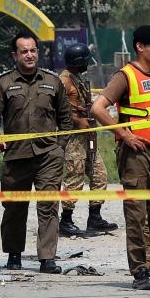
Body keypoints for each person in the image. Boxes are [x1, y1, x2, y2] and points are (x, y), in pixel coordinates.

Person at [91, 25, 150, 290]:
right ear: (139, 48)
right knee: (136, 215)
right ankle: (141, 272)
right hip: (135, 155)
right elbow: (98, 108)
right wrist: (124, 135)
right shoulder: (126, 76)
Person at [0, 32, 72, 274]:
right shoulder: (4, 82)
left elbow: (65, 118)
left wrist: (60, 148)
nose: (30, 54)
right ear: (15, 55)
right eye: (24, 51)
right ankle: (14, 254)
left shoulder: (53, 81)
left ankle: (47, 258)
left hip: (48, 155)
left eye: (33, 50)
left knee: (48, 206)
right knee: (14, 207)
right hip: (16, 155)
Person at [59, 43, 117, 236]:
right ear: (78, 61)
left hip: (89, 135)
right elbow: (56, 111)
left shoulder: (80, 80)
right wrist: (77, 121)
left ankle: (95, 217)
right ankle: (66, 220)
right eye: (85, 60)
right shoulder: (64, 81)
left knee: (99, 174)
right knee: (74, 177)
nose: (88, 63)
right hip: (73, 138)